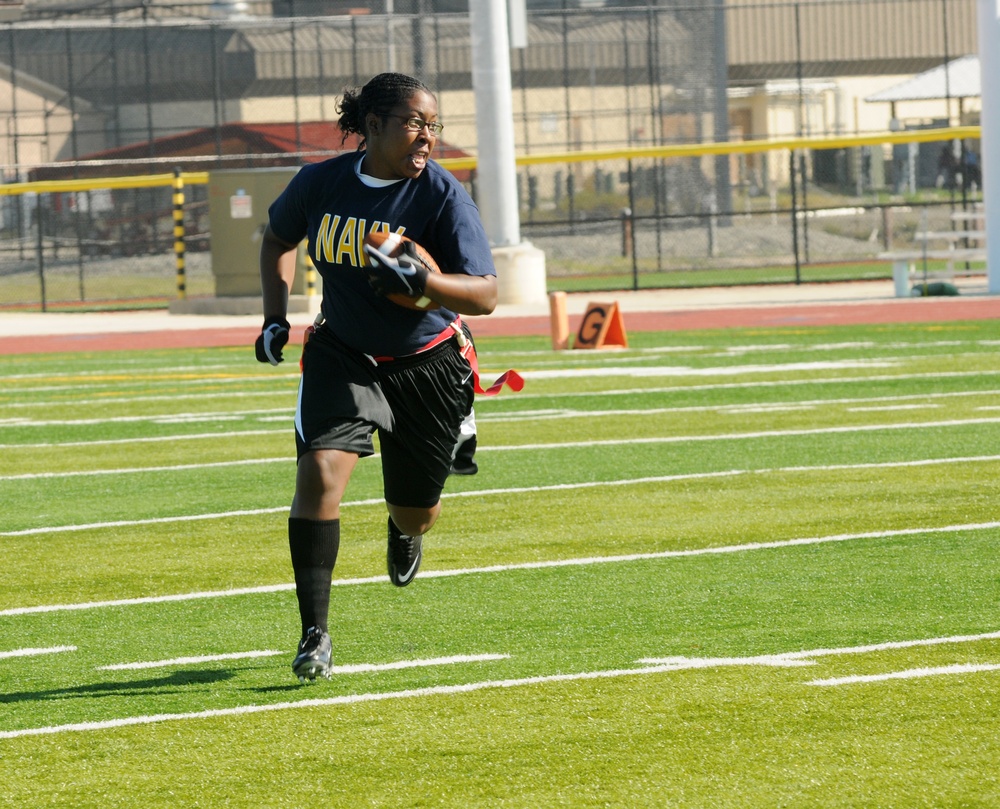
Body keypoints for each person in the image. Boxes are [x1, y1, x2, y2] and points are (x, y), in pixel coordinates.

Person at [255, 72, 498, 683]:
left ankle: (403, 529)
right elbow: (279, 237)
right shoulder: (321, 182)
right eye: (415, 123)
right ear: (373, 126)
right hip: (344, 352)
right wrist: (273, 317)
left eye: (433, 126)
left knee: (416, 512)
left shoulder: (443, 195)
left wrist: (427, 285)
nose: (427, 138)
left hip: (428, 361)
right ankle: (315, 634)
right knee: (318, 474)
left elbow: (486, 295)